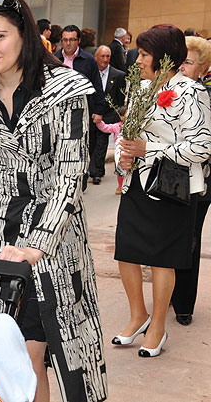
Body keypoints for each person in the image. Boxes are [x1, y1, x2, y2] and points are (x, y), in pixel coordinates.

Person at [0, 0, 107, 402]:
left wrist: (38, 244)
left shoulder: (64, 91)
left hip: (51, 244)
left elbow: (70, 173)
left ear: (24, 35)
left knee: (31, 359)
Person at [114, 24, 211, 357]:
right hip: (136, 183)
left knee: (160, 260)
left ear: (164, 57)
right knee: (126, 252)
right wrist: (122, 157)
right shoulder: (140, 87)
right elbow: (127, 132)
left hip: (171, 187)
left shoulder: (192, 91)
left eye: (143, 53)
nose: (137, 59)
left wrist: (149, 149)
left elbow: (202, 145)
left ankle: (157, 326)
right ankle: (137, 315)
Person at [171, 36, 211, 326]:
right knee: (171, 235)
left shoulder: (204, 95)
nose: (183, 67)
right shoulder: (170, 90)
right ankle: (169, 291)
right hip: (170, 175)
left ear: (204, 68)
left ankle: (184, 303)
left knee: (191, 239)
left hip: (202, 179)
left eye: (189, 62)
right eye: (181, 61)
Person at [54, 25, 107, 186]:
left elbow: (97, 86)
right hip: (59, 111)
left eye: (72, 40)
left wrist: (98, 110)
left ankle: (81, 180)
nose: (68, 43)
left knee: (81, 146)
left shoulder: (88, 60)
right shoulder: (54, 59)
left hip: (83, 111)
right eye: (65, 40)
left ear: (78, 41)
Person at [91, 45, 126, 184]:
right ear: (96, 57)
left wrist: (116, 116)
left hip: (108, 116)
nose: (105, 59)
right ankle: (94, 168)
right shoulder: (90, 73)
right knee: (92, 142)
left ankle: (96, 172)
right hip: (92, 114)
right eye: (102, 56)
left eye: (108, 56)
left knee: (101, 142)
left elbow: (120, 98)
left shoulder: (118, 75)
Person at [95, 114, 124, 194]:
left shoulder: (133, 125)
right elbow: (105, 128)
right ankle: (120, 186)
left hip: (130, 150)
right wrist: (99, 122)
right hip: (119, 151)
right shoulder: (117, 126)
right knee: (120, 169)